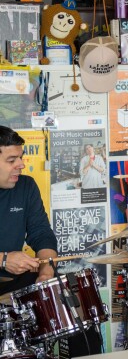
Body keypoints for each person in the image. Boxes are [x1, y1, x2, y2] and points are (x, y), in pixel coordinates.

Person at [0, 125, 58, 294]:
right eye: (12, 160)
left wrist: (46, 273)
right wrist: (3, 260)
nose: (21, 165)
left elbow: (41, 233)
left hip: (12, 284)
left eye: (21, 157)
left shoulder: (26, 186)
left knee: (60, 291)